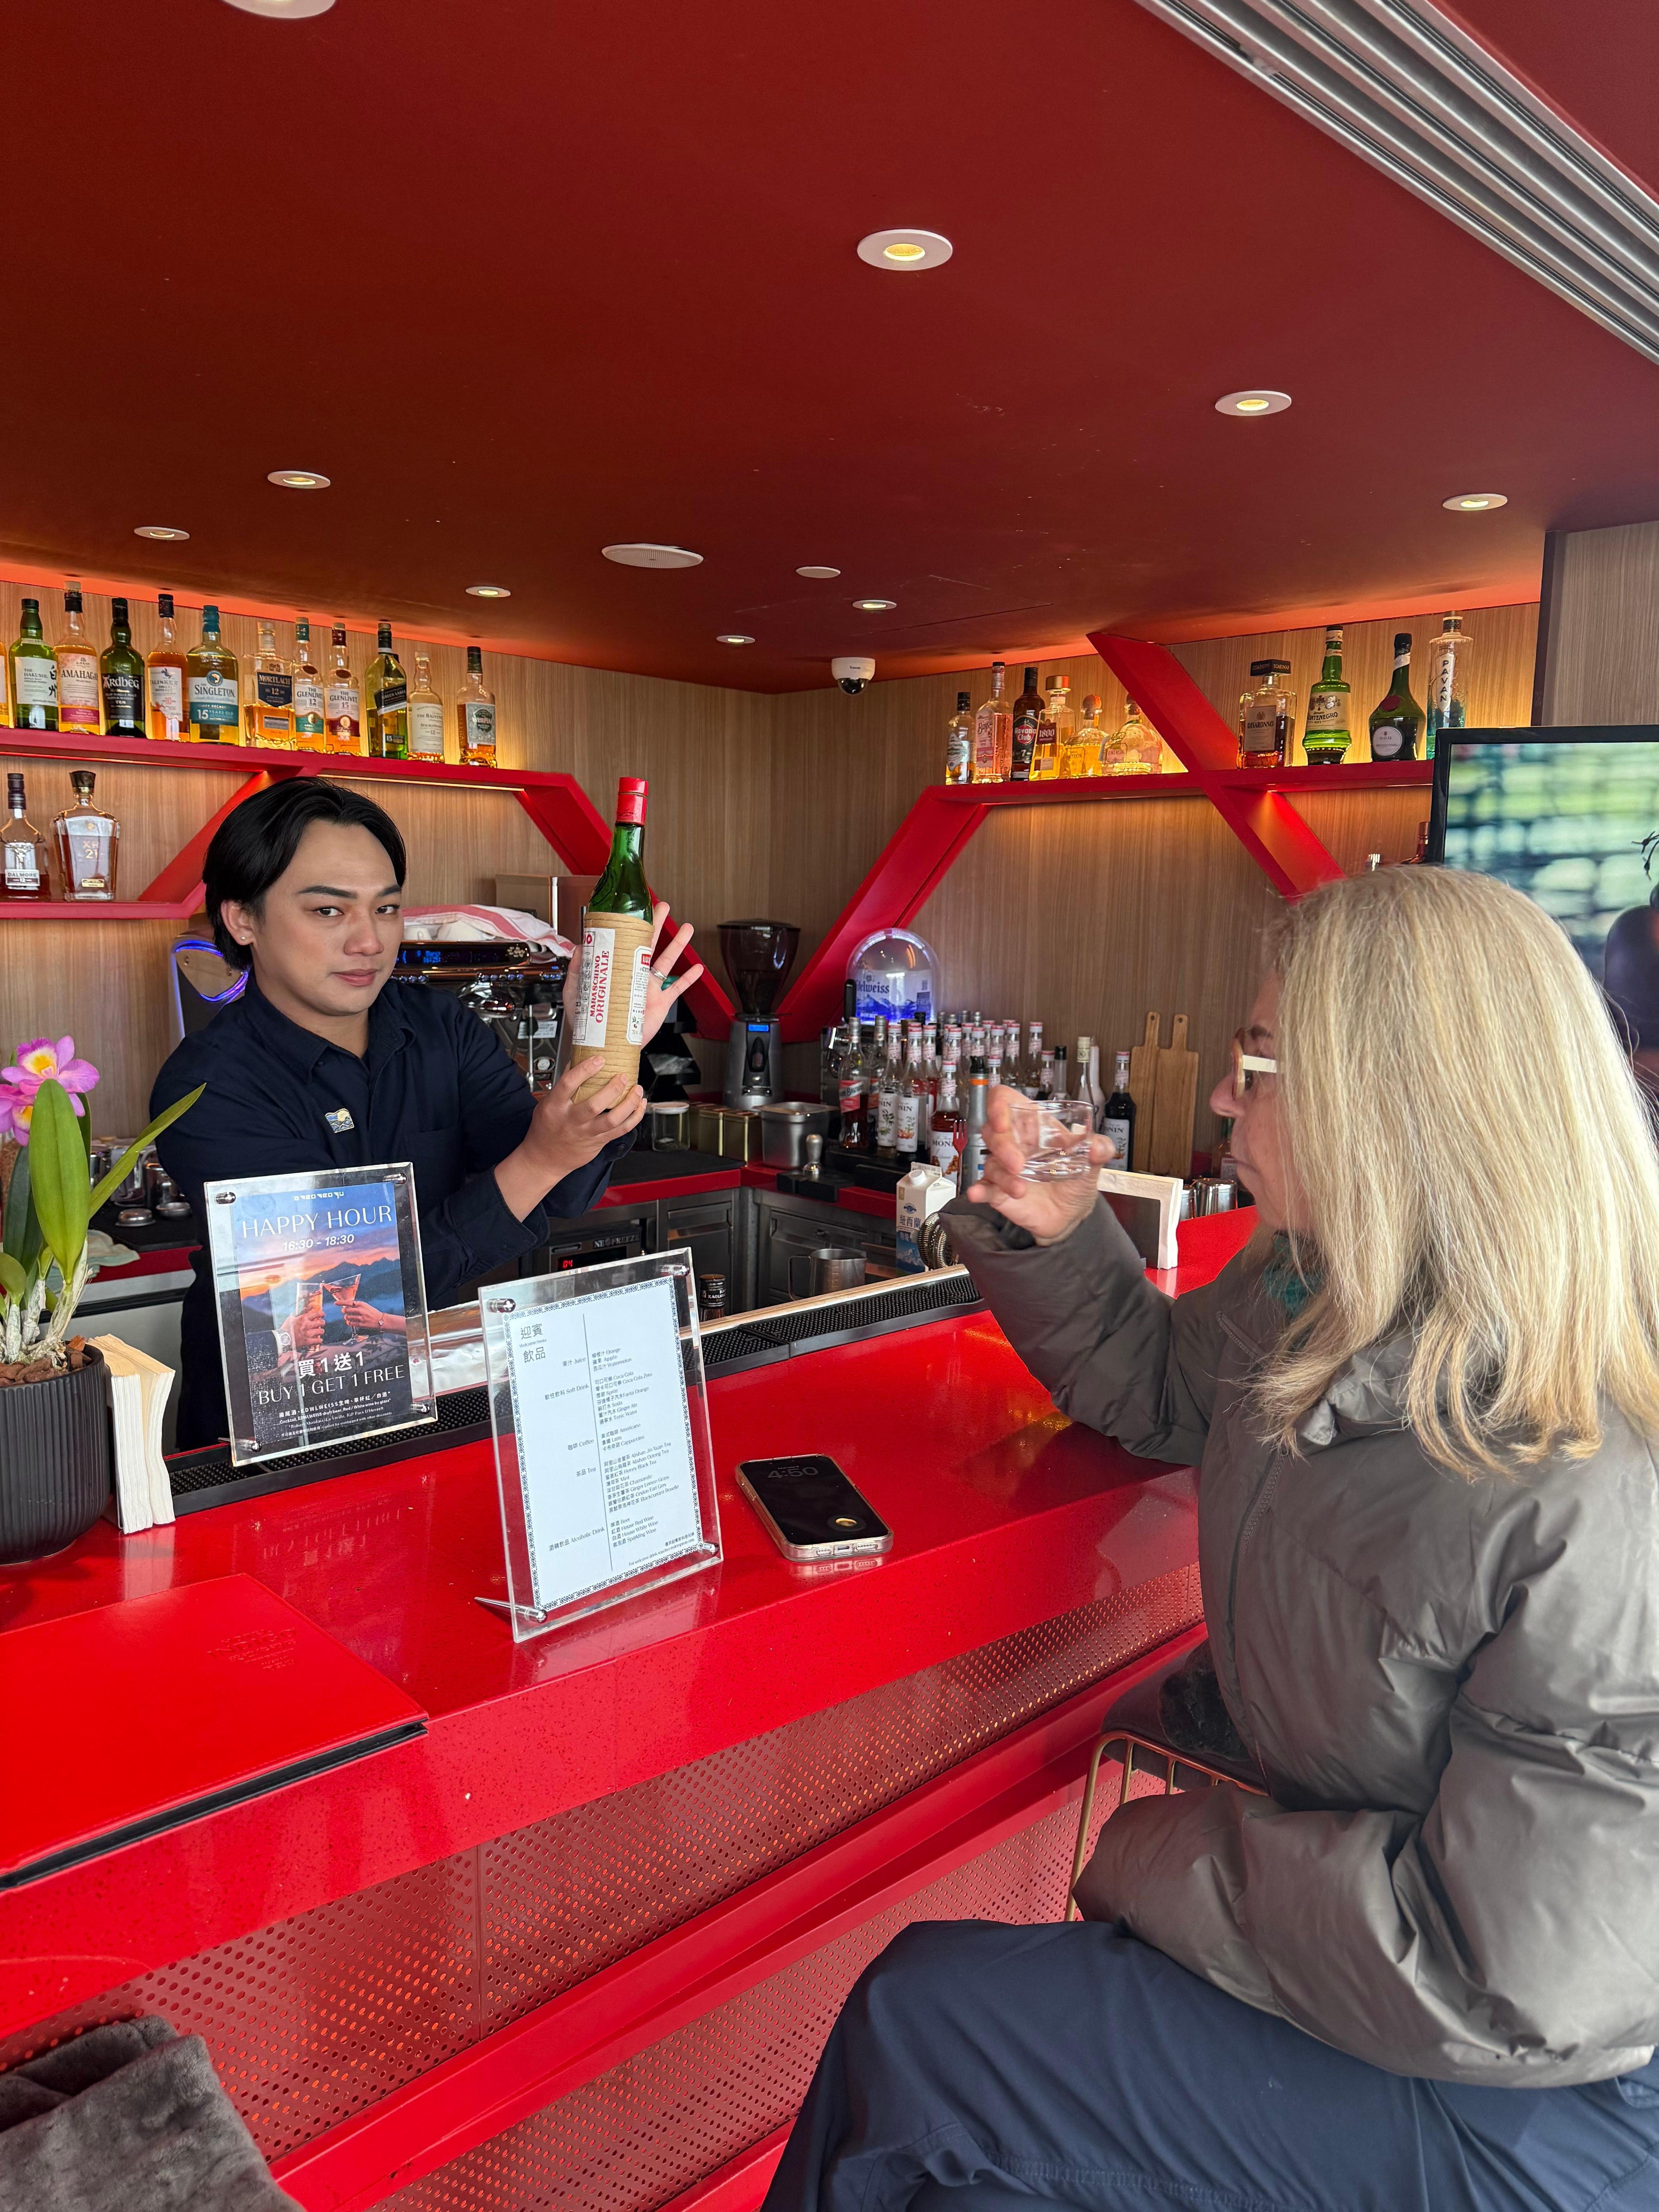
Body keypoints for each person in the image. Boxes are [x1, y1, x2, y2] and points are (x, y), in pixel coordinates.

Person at [763, 865, 1659, 2212]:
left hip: (1540, 2102)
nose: (1226, 1096)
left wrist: (1155, 1856)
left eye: (1258, 1062)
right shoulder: (1320, 1281)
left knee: (923, 2026)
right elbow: (1166, 1386)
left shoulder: (1594, 1478)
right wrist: (1055, 1236)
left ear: (1391, 1100)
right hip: (1391, 1972)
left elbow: (1514, 1977)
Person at [151, 779, 702, 1449]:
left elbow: (564, 1191)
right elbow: (349, 1308)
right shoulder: (208, 1087)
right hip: (280, 1429)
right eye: (329, 912)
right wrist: (541, 1158)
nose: (368, 942)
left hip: (448, 1396)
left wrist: (605, 1045)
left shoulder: (442, 1027)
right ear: (243, 920)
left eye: (386, 910)